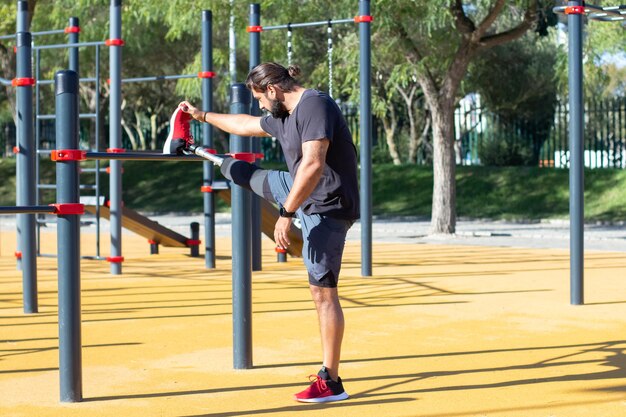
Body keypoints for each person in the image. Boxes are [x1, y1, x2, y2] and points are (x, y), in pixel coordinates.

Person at [178, 62, 359, 403]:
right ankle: (205, 155)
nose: (260, 106)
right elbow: (244, 125)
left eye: (260, 98)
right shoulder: (283, 114)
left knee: (323, 292)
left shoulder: (315, 105)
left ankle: (331, 381)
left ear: (273, 90)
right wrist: (201, 116)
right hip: (299, 190)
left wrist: (286, 214)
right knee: (249, 176)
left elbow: (314, 163)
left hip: (328, 206)